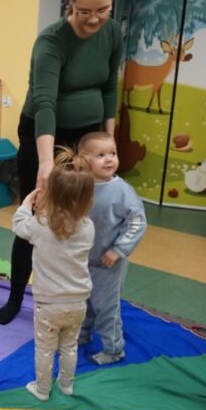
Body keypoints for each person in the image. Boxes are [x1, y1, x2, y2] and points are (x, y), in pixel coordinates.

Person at [0, 0, 122, 326]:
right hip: (44, 133)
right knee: (36, 214)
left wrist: (108, 140)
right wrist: (46, 163)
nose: (93, 19)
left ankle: (73, 294)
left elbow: (110, 85)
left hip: (87, 135)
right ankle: (17, 295)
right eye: (84, 12)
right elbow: (45, 102)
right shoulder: (51, 41)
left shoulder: (112, 33)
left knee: (80, 217)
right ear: (70, 3)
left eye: (102, 10)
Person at [13, 148, 95, 402]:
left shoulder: (40, 226)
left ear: (51, 193)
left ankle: (42, 389)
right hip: (78, 303)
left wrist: (28, 203)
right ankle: (67, 385)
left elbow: (18, 226)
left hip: (49, 304)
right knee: (69, 346)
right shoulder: (88, 227)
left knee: (45, 349)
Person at [76, 131, 146, 365]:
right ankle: (82, 335)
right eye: (101, 155)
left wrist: (119, 250)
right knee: (82, 301)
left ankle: (114, 349)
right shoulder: (81, 184)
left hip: (109, 263)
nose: (109, 159)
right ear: (84, 160)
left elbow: (137, 222)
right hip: (83, 259)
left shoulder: (122, 191)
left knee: (106, 307)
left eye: (113, 153)